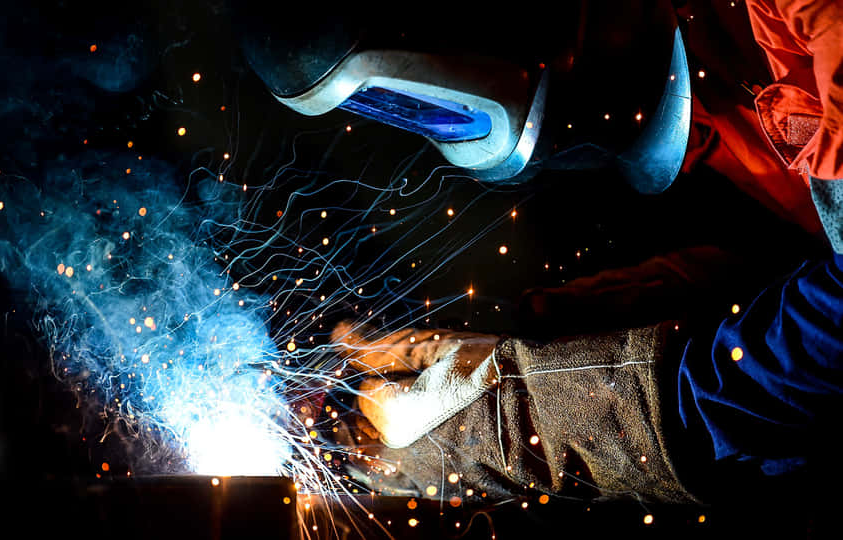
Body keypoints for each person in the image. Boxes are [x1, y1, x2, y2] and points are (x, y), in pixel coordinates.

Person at [326, 0, 843, 505]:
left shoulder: (812, 15)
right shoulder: (706, 57)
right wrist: (541, 329)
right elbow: (790, 264)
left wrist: (529, 420)